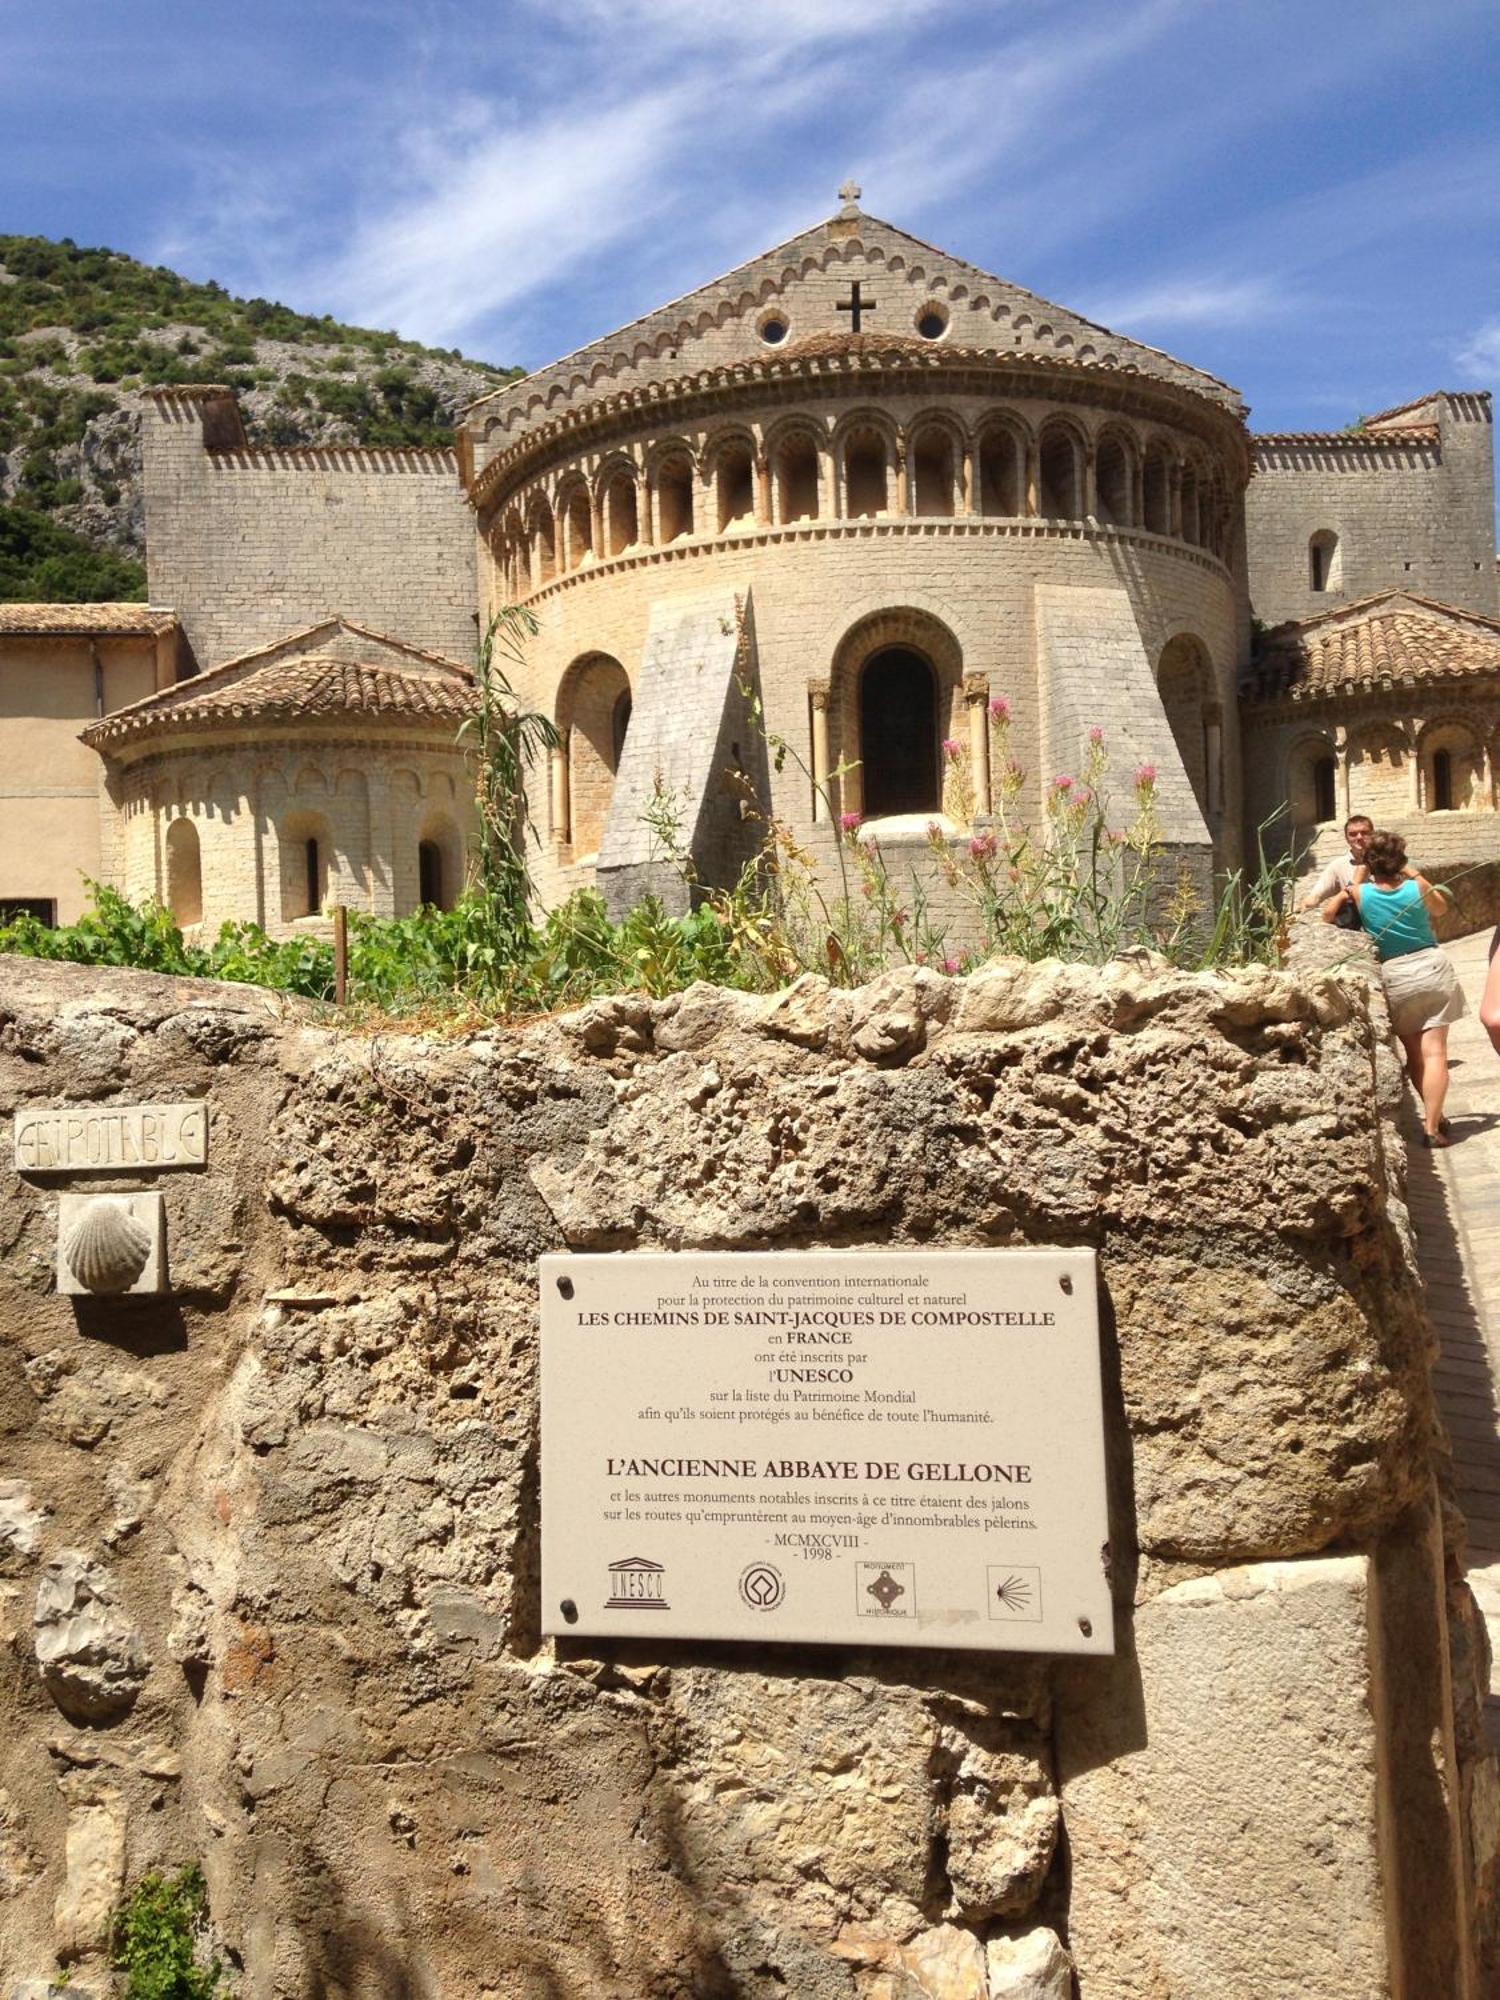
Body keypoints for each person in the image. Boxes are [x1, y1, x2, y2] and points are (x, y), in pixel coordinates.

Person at [1323, 829, 1465, 1146]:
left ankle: (1433, 1117)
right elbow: (1441, 908)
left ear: (1370, 864)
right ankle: (1432, 1126)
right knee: (1436, 1053)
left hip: (1395, 975)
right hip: (1431, 967)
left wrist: (1359, 876)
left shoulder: (1360, 894)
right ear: (1400, 859)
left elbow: (1327, 914)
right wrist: (1411, 869)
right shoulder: (1416, 887)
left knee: (1416, 1056)